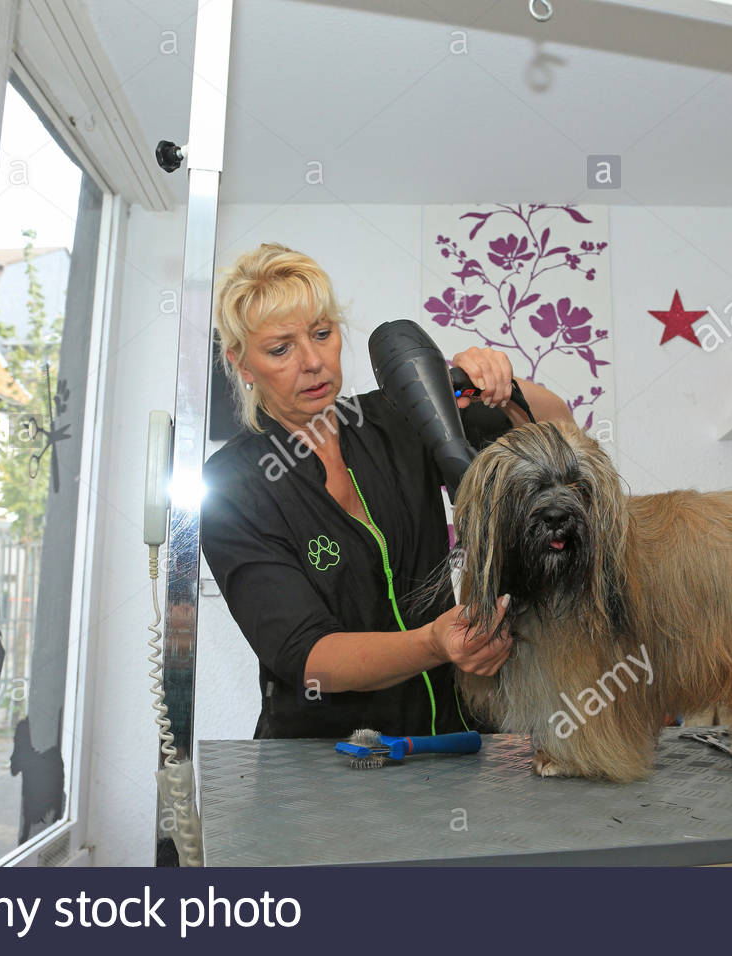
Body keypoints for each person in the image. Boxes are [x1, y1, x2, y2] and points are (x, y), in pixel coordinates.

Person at [199, 243, 574, 739]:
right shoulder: (233, 485)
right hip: (322, 762)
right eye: (280, 348)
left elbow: (560, 431)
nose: (313, 361)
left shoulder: (397, 414)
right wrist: (434, 643)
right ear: (242, 364)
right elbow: (307, 656)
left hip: (447, 738)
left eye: (322, 334)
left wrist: (503, 385)